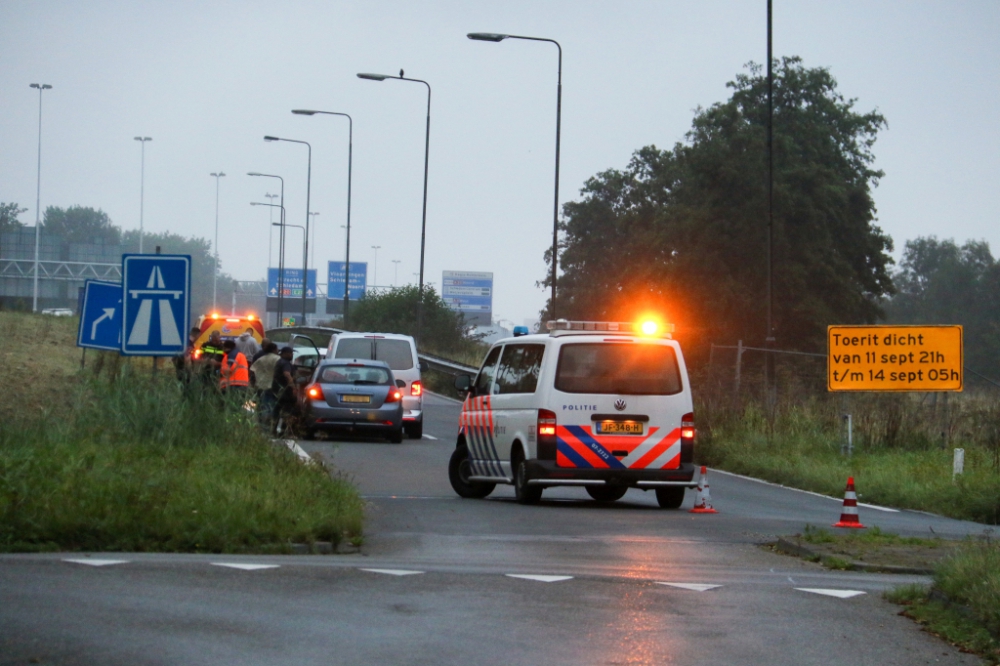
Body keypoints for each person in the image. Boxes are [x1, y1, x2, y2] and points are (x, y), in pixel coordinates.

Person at [250, 342, 280, 428]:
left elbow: (252, 369)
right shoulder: (277, 359)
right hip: (271, 386)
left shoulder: (261, 359)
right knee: (270, 406)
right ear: (274, 349)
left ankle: (260, 423)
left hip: (260, 385)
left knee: (261, 405)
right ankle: (267, 426)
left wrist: (254, 380)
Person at [271, 346, 298, 435]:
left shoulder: (279, 362)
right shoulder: (286, 363)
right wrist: (293, 387)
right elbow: (287, 374)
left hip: (277, 390)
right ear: (285, 353)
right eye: (291, 353)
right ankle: (284, 431)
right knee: (287, 411)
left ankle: (273, 430)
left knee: (276, 411)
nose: (292, 355)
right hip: (285, 392)